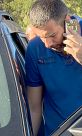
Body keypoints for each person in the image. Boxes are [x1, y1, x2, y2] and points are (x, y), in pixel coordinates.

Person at [25, 0, 82, 135]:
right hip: (58, 132)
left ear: (67, 21)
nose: (47, 44)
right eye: (41, 37)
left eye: (52, 35)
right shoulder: (35, 49)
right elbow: (34, 107)